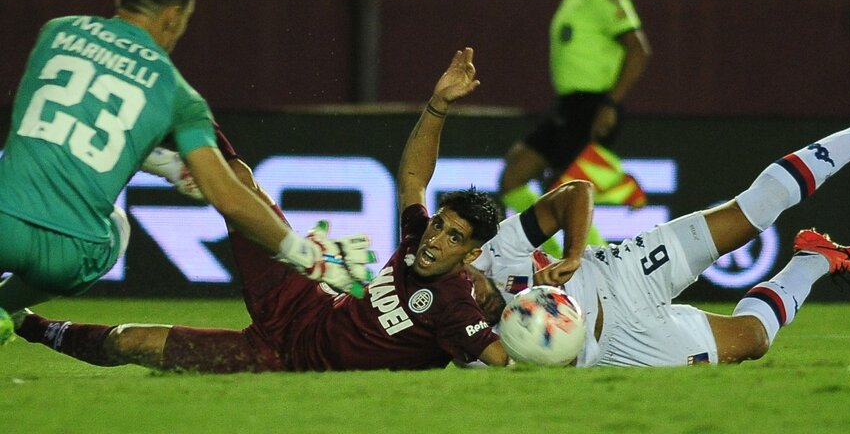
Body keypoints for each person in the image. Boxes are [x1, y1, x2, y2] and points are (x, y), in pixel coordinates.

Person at [10, 49, 513, 371]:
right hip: (300, 301)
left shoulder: (453, 303)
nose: (434, 238)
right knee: (242, 182)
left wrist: (544, 346)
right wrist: (439, 103)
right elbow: (412, 178)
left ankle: (24, 324)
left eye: (452, 237)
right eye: (441, 225)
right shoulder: (416, 239)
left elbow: (499, 359)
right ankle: (171, 119)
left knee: (129, 343)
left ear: (471, 256)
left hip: (280, 359)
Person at [0, 0, 364, 341]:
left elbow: (57, 126)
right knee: (117, 228)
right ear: (174, 17)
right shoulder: (178, 94)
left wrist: (166, 165)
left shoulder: (57, 32)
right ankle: (4, 306)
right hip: (70, 254)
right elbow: (227, 195)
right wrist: (308, 257)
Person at [475, 83, 850, 366]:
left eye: (465, 269)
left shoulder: (494, 250)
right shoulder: (452, 327)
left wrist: (574, 255)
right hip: (621, 346)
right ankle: (815, 261)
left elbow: (577, 192)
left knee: (751, 212)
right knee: (753, 341)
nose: (471, 284)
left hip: (616, 273)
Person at [499, 0, 652, 244]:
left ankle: (596, 267)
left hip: (593, 105)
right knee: (515, 176)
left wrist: (610, 104)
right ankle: (555, 256)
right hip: (567, 106)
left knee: (566, 191)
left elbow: (639, 51)